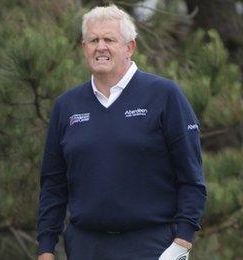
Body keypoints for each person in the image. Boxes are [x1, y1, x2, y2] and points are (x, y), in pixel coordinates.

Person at [37, 5, 206, 260]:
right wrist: (46, 249)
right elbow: (53, 184)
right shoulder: (66, 106)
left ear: (130, 47)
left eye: (109, 39)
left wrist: (182, 242)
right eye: (93, 40)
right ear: (84, 47)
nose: (100, 47)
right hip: (85, 247)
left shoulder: (164, 96)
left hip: (153, 245)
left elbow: (191, 178)